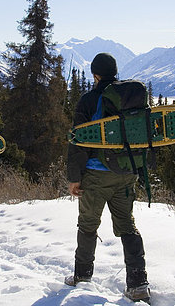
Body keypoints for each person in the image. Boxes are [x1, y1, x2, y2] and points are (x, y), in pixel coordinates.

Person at [65, 53, 150, 302]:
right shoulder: (129, 98)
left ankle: (82, 277)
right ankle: (138, 284)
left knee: (88, 226)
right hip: (126, 173)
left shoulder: (89, 100)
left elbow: (77, 141)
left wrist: (74, 177)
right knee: (127, 226)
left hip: (95, 176)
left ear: (95, 75)